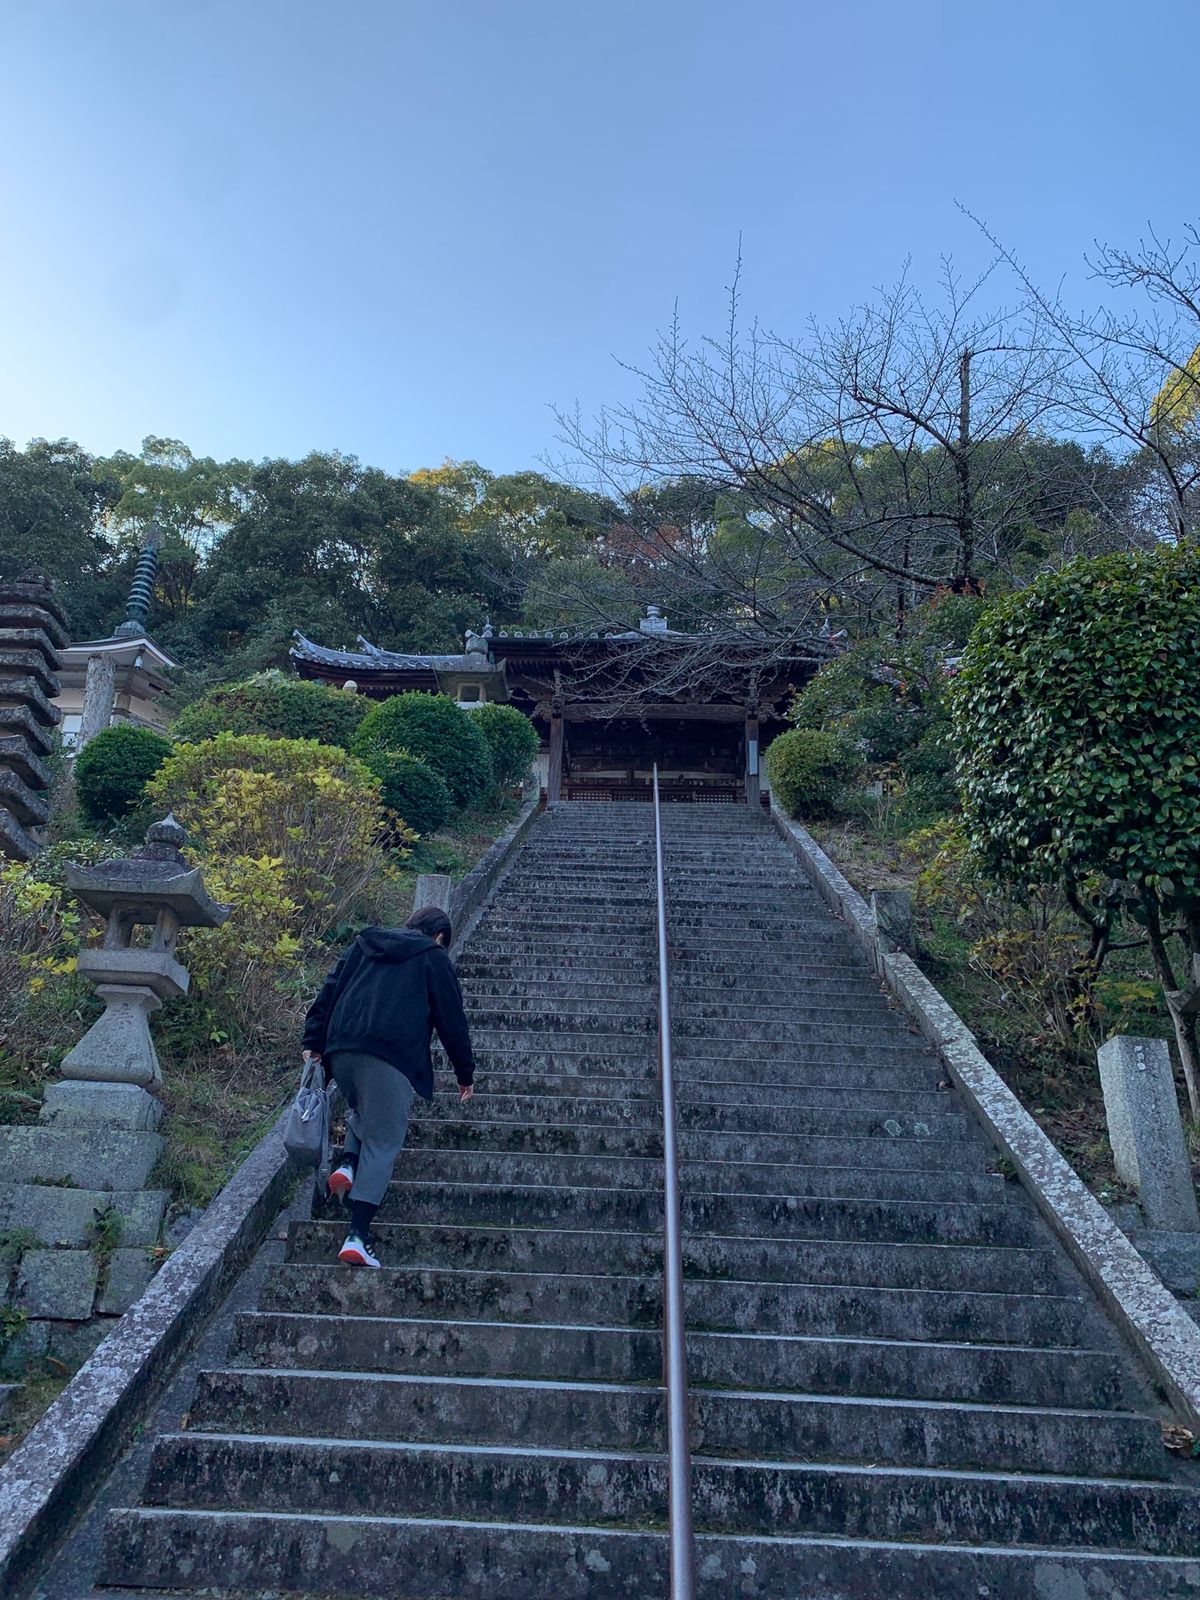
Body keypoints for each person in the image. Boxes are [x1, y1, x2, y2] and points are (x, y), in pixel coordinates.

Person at [301, 905, 476, 1268]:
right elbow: (451, 1018)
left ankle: (348, 1162)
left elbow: (330, 989)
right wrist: (465, 1072)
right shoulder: (433, 958)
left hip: (342, 1049)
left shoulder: (364, 944)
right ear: (440, 936)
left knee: (364, 1107)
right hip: (391, 1056)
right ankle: (358, 1236)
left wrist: (314, 1040)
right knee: (384, 1140)